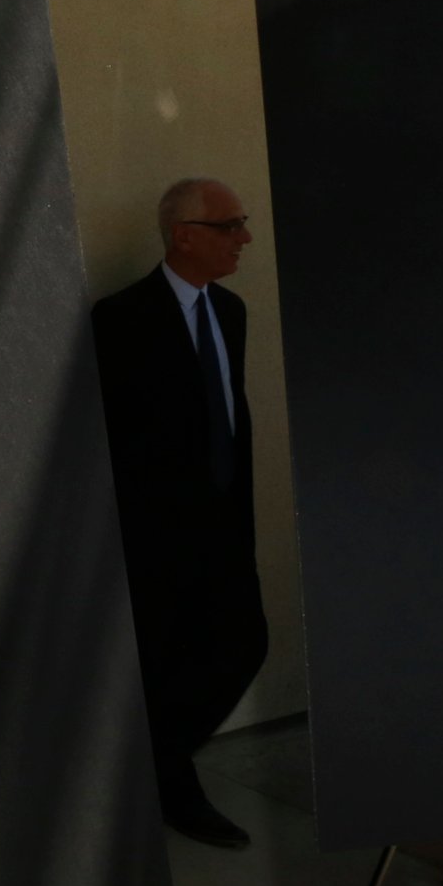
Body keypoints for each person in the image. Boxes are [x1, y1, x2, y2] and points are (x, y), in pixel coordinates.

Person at [90, 178, 268, 848]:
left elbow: (227, 414)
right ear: (183, 234)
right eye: (230, 225)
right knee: (164, 659)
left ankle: (157, 763)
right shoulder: (121, 319)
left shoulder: (233, 312)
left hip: (225, 526)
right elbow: (114, 437)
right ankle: (170, 781)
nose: (243, 238)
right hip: (158, 539)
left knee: (244, 642)